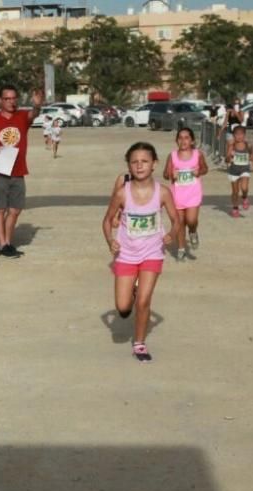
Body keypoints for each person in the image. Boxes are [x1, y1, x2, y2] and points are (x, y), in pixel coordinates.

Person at [101, 142, 181, 363]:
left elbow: (176, 220)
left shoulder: (163, 192)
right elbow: (107, 221)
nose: (139, 166)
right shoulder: (121, 193)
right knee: (123, 306)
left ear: (154, 164)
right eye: (134, 162)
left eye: (144, 161)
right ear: (128, 165)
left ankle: (139, 343)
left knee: (144, 301)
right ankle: (131, 294)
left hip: (152, 252)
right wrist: (110, 241)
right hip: (126, 253)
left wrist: (172, 234)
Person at [0, 85, 44, 258]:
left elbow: (34, 115)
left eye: (14, 98)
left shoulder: (22, 116)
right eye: (7, 99)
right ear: (0, 100)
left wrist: (37, 105)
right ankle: (3, 244)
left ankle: (7, 242)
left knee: (15, 209)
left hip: (18, 171)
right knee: (0, 209)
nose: (11, 102)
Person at [163, 127, 208, 261]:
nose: (183, 141)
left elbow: (205, 168)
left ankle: (193, 232)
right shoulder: (172, 156)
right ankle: (181, 247)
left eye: (186, 138)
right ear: (176, 140)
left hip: (193, 193)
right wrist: (171, 174)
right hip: (177, 194)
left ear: (192, 141)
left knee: (191, 220)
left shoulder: (197, 154)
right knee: (180, 222)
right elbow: (165, 174)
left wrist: (198, 171)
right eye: (180, 138)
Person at [225, 125, 253, 218]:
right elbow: (226, 159)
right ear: (233, 135)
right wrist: (229, 157)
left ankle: (244, 197)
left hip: (245, 169)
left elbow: (252, 155)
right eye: (237, 134)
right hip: (234, 170)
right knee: (235, 192)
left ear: (244, 135)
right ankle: (235, 208)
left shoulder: (248, 145)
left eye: (241, 134)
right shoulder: (232, 146)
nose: (239, 136)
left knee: (244, 188)